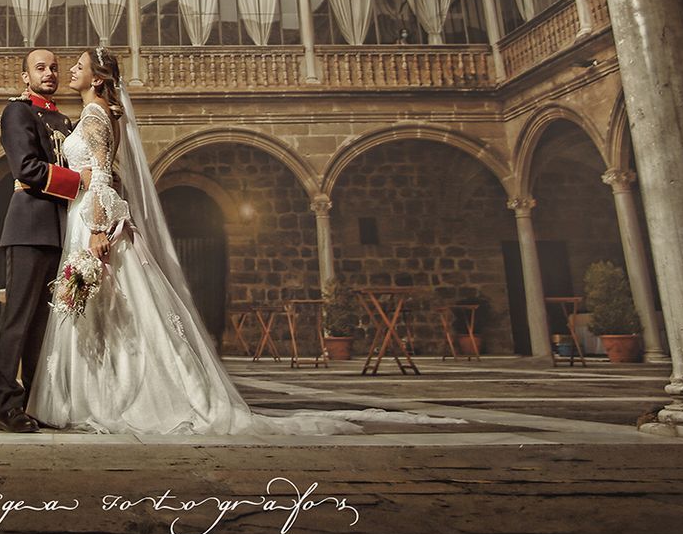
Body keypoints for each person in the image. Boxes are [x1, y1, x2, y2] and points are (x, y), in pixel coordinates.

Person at [28, 46, 441, 436]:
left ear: (98, 79)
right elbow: (108, 175)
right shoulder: (94, 113)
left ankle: (115, 396)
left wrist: (99, 229)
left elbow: (101, 176)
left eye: (80, 66)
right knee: (106, 313)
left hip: (94, 222)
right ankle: (100, 393)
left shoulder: (96, 116)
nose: (72, 70)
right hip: (86, 217)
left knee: (115, 314)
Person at [0, 47, 82, 434]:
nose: (49, 73)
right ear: (25, 76)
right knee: (18, 320)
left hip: (61, 229)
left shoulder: (64, 118)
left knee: (43, 326)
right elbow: (26, 167)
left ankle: (33, 403)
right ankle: (6, 407)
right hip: (29, 226)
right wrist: (79, 183)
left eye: (54, 68)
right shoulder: (18, 112)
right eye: (40, 68)